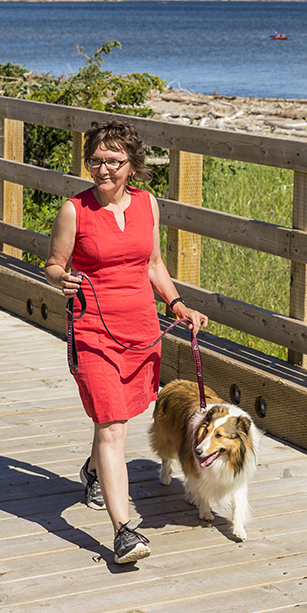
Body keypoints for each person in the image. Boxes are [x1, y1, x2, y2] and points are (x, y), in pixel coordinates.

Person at [45, 120, 207, 564]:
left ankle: (93, 470)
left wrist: (177, 304)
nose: (103, 169)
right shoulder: (74, 210)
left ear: (132, 165)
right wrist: (63, 280)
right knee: (112, 425)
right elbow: (53, 264)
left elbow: (153, 263)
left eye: (114, 161)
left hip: (141, 330)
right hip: (92, 330)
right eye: (95, 161)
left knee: (117, 419)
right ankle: (123, 531)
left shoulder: (148, 204)